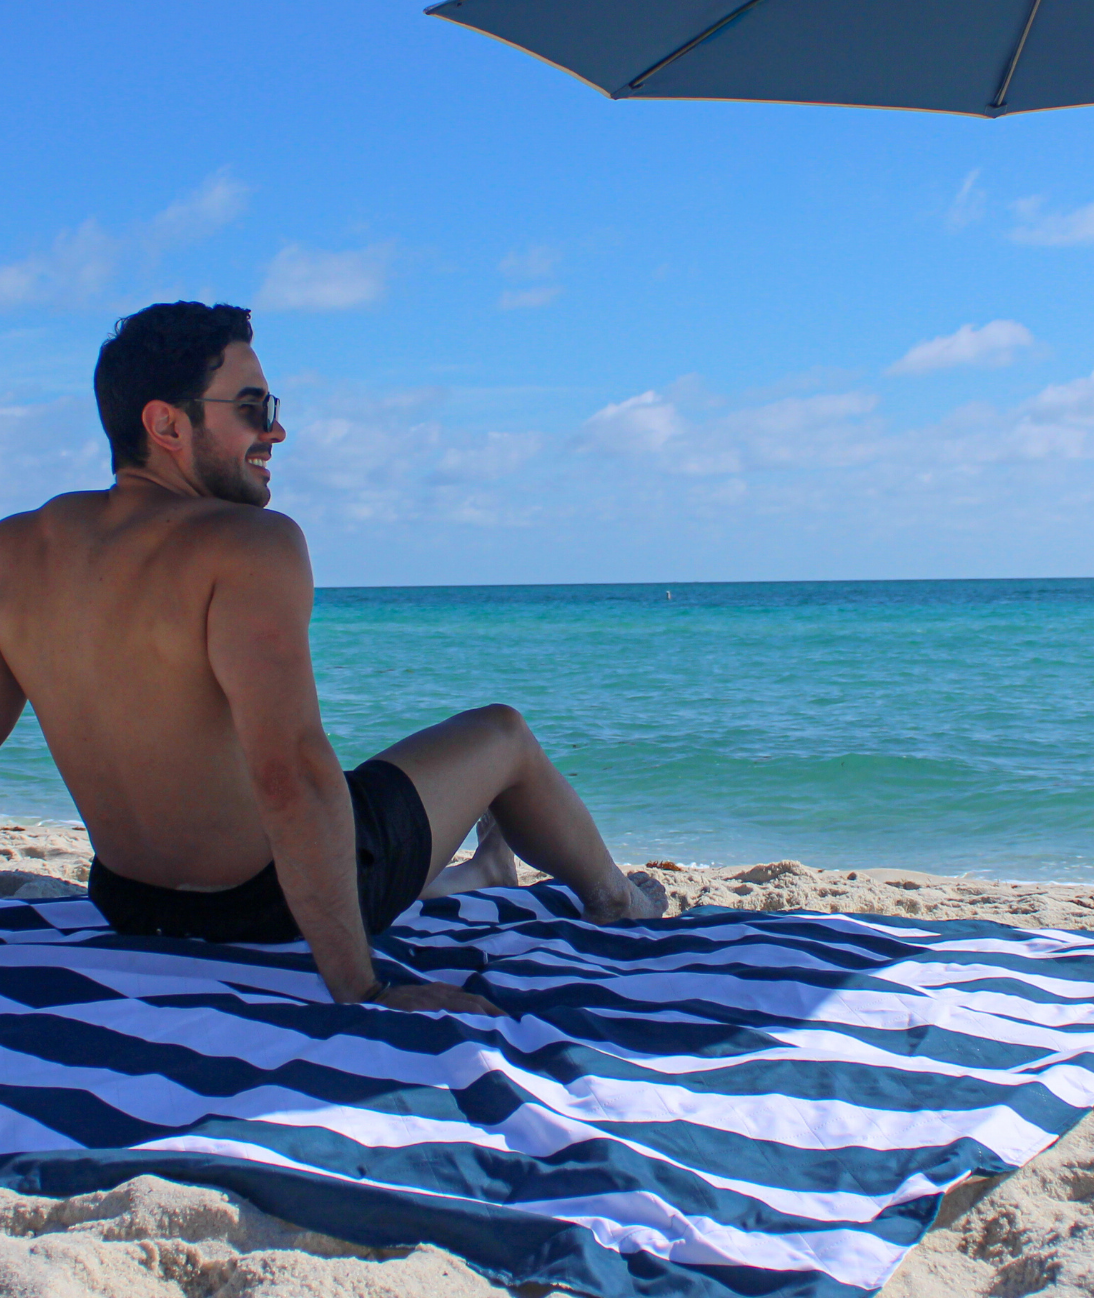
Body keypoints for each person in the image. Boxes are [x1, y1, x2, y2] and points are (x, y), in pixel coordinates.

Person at [0, 302, 656, 1017]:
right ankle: (619, 902)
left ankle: (487, 871)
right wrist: (362, 985)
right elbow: (289, 773)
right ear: (167, 425)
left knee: (363, 807)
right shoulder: (250, 543)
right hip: (267, 902)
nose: (276, 429)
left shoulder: (17, 548)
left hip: (130, 902)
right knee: (503, 736)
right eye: (253, 409)